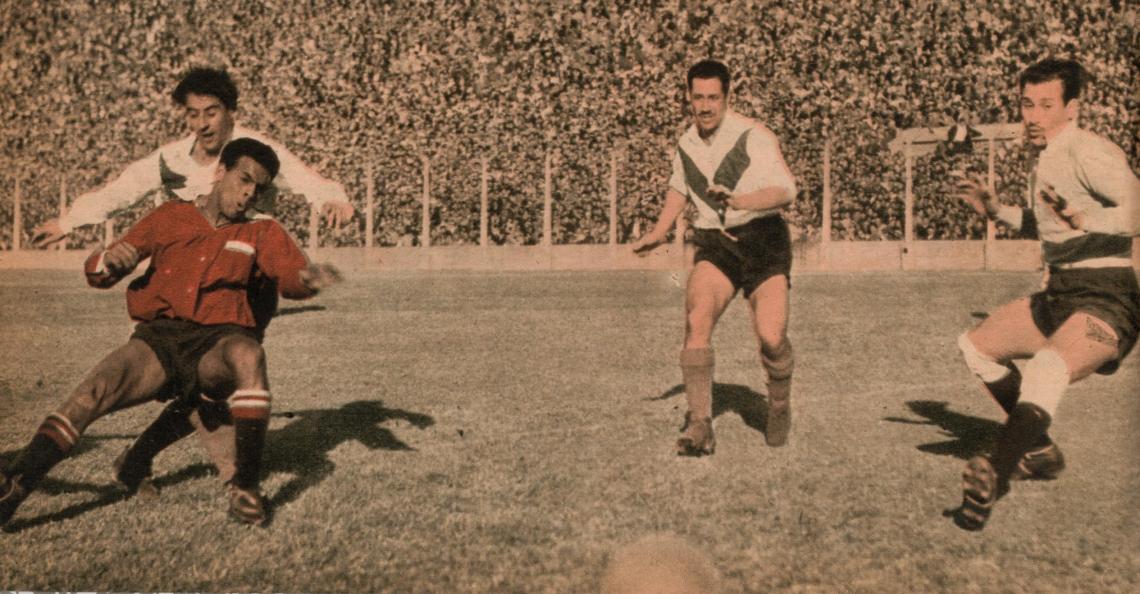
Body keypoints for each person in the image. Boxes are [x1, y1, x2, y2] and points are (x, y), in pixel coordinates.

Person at [32, 67, 352, 498]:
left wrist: (333, 197)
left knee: (217, 383)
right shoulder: (170, 158)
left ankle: (140, 460)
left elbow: (307, 179)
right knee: (191, 380)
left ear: (231, 112)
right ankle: (142, 460)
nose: (201, 124)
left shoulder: (257, 151)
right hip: (184, 281)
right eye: (192, 114)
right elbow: (120, 191)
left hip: (246, 283)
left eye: (212, 112)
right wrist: (70, 220)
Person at [1, 138, 341, 527]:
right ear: (220, 171)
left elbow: (291, 277)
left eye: (259, 188)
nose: (249, 193)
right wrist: (108, 261)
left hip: (218, 343)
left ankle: (246, 488)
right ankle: (17, 484)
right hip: (159, 339)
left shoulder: (263, 233)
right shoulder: (169, 216)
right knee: (91, 394)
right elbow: (99, 272)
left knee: (246, 357)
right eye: (244, 179)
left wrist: (308, 279)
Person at [952, 58, 1140, 531]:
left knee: (1047, 367)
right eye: (1026, 104)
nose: (1033, 116)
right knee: (976, 348)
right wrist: (996, 209)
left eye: (1046, 105)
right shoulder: (1048, 156)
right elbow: (1048, 225)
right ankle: (1039, 452)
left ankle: (997, 472)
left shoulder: (1088, 150)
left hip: (1107, 294)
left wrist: (1086, 220)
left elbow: (1136, 212)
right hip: (1060, 292)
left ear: (1072, 108)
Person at [631, 59, 798, 455]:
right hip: (717, 243)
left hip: (763, 239)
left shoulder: (753, 136)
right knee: (697, 317)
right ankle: (700, 425)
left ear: (727, 97)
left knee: (772, 339)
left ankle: (778, 402)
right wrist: (657, 231)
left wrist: (741, 200)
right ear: (688, 97)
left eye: (713, 98)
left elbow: (785, 191)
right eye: (698, 97)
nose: (705, 106)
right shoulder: (687, 141)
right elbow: (679, 188)